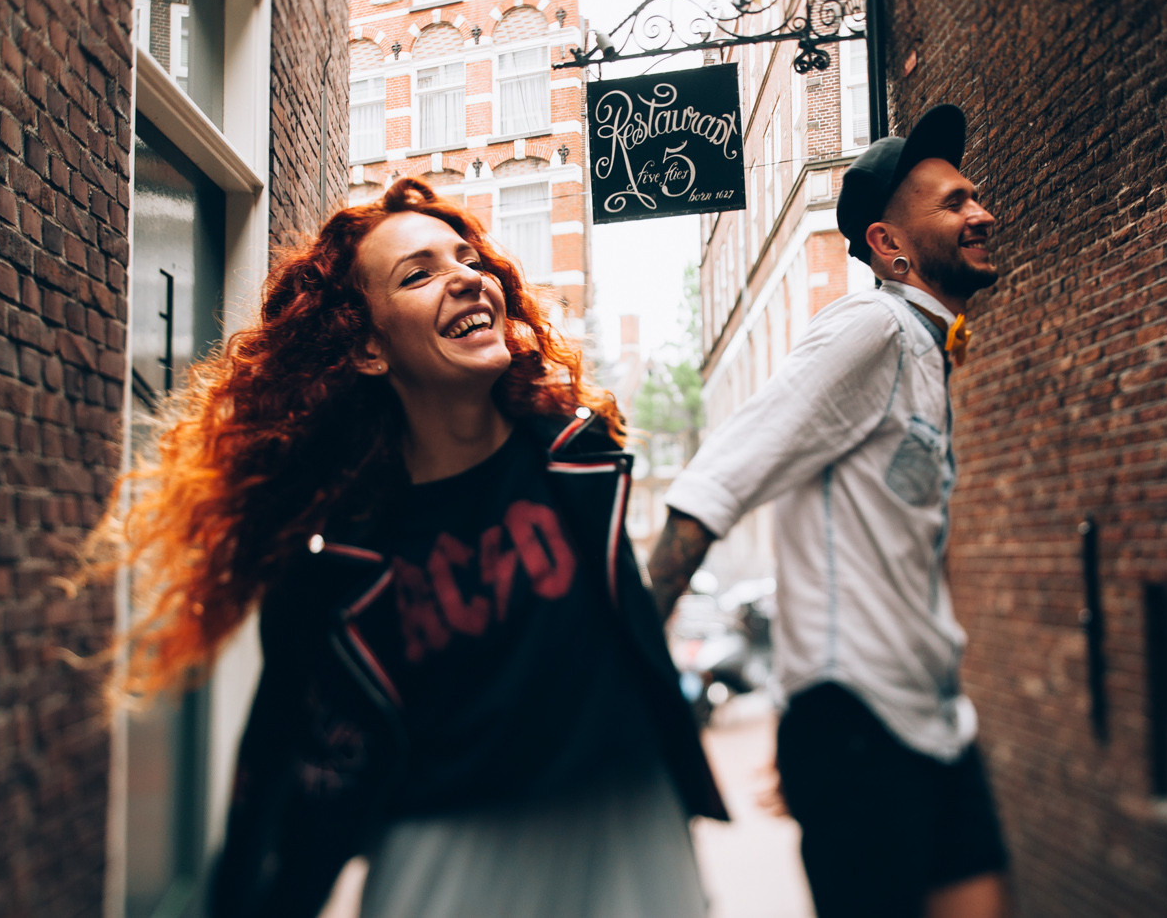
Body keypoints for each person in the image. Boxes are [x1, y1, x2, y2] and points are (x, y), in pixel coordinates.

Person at [91, 177, 725, 918]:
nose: (466, 278)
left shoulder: (578, 460)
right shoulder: (338, 560)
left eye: (469, 259)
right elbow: (279, 764)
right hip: (445, 861)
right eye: (419, 273)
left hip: (626, 835)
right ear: (367, 345)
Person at [647, 103, 1012, 918]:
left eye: (974, 197)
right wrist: (628, 668)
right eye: (954, 203)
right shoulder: (869, 326)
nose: (981, 213)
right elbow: (717, 481)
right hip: (858, 725)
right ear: (889, 246)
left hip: (937, 720)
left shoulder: (926, 347)